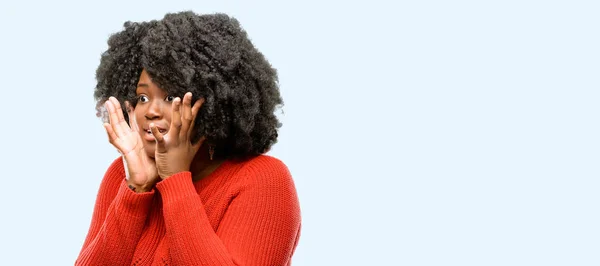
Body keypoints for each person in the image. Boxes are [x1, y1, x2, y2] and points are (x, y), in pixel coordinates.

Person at [75, 11, 301, 266]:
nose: (151, 111)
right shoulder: (122, 176)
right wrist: (136, 190)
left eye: (171, 97)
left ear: (211, 104)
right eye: (143, 98)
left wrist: (175, 181)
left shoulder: (264, 180)